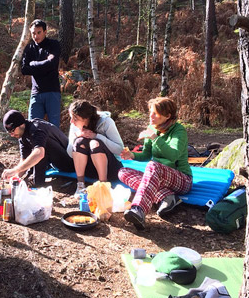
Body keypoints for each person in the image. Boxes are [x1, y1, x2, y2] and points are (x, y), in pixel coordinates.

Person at [119, 97, 192, 230]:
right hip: (159, 177)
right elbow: (146, 155)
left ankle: (138, 209)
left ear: (168, 116)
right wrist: (132, 155)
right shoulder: (152, 128)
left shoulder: (179, 131)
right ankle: (167, 197)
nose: (151, 117)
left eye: (155, 114)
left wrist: (154, 137)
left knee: (153, 166)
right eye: (150, 112)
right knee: (122, 171)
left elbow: (173, 155)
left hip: (182, 179)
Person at [1, 109, 74, 187]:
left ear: (21, 124)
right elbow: (24, 160)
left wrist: (15, 169)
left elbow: (39, 154)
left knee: (39, 150)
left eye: (12, 130)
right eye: (9, 133)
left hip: (70, 162)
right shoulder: (22, 136)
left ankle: (38, 183)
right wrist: (16, 177)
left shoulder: (37, 128)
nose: (12, 135)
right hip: (54, 163)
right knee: (36, 152)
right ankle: (34, 179)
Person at [67, 100, 124, 197]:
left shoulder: (106, 122)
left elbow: (119, 149)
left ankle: (104, 187)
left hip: (111, 170)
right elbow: (69, 153)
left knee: (95, 143)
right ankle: (80, 185)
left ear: (86, 118)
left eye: (75, 118)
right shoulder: (75, 125)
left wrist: (96, 136)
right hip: (89, 171)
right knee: (79, 142)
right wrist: (77, 136)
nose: (71, 121)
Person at [21, 19, 61, 127]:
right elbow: (24, 69)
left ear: (45, 32)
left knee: (54, 127)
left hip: (52, 91)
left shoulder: (53, 44)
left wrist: (33, 64)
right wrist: (44, 65)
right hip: (36, 92)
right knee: (32, 125)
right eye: (33, 33)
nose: (36, 36)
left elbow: (52, 64)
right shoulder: (29, 48)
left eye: (39, 32)